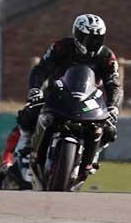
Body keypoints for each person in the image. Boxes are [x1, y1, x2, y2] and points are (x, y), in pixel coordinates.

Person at [14, 14, 123, 171]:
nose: (93, 43)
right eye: (88, 37)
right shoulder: (61, 47)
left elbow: (114, 83)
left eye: (97, 38)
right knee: (31, 110)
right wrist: (35, 89)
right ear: (77, 34)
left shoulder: (107, 56)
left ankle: (94, 154)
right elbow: (41, 69)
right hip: (58, 93)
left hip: (89, 99)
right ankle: (24, 144)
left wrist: (113, 105)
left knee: (110, 126)